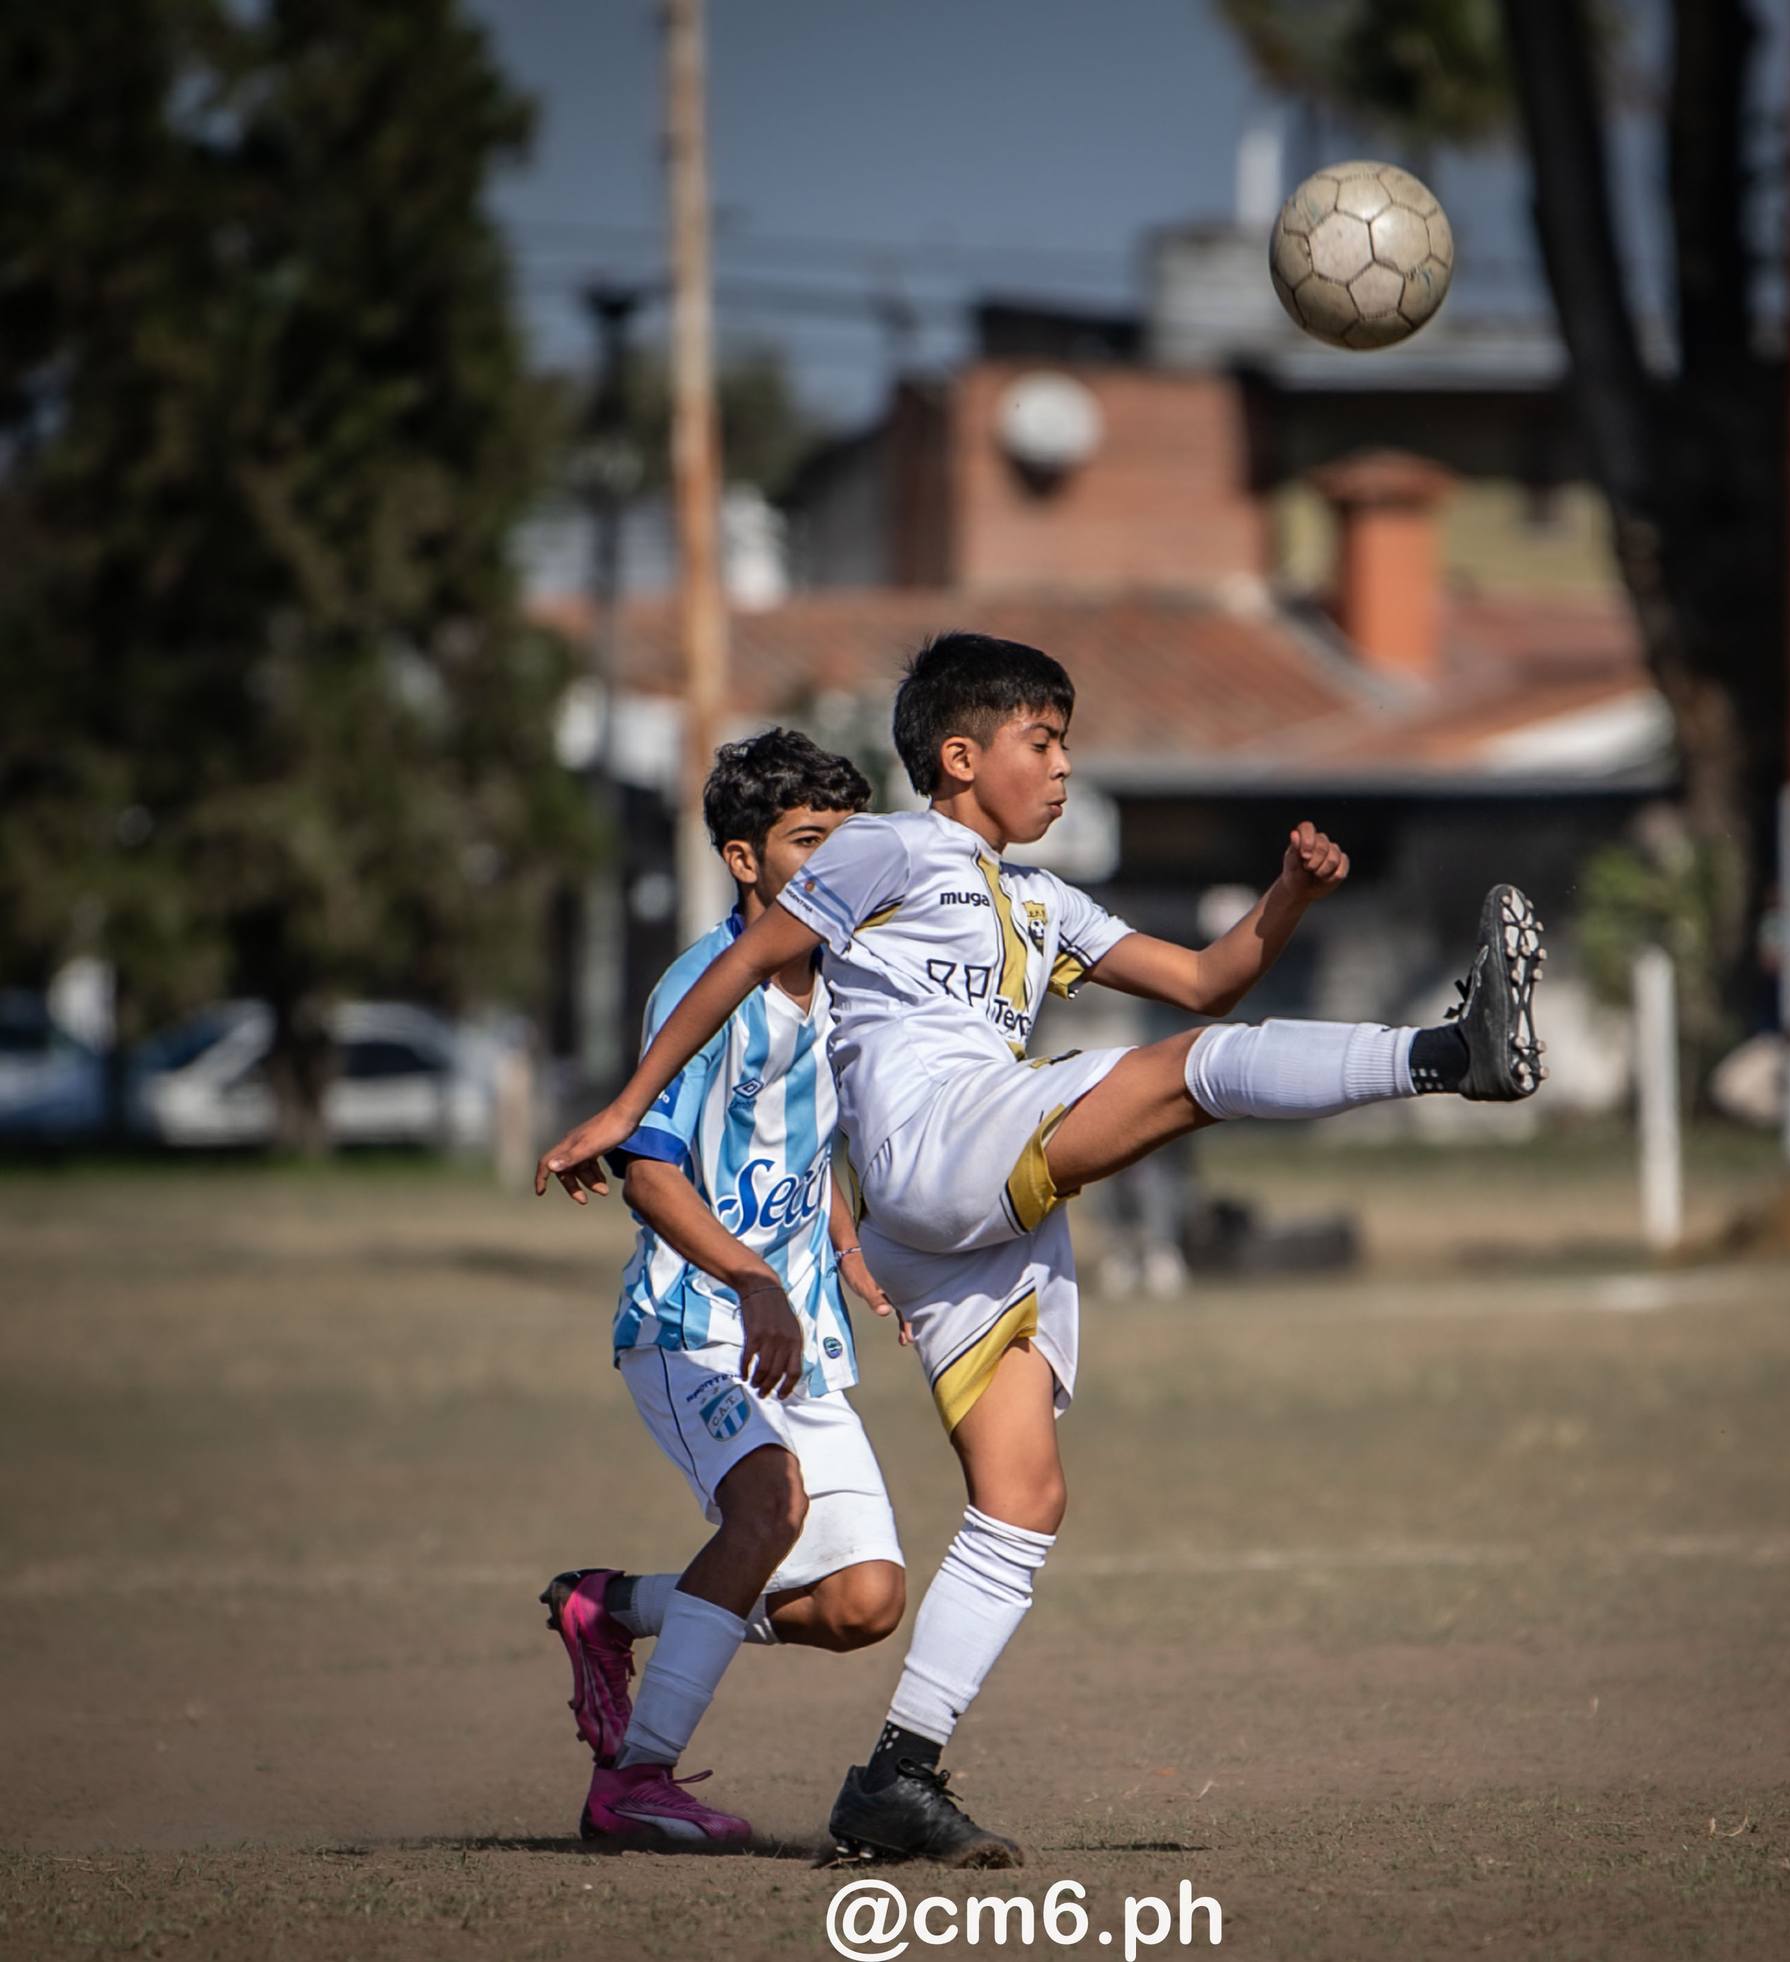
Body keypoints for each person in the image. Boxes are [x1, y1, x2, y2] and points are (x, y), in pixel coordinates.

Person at [536, 634, 1547, 1865]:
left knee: (1022, 1501)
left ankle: (895, 1777)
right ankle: (1448, 1057)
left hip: (962, 1217)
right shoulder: (883, 847)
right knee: (1186, 1081)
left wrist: (1287, 898)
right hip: (935, 1142)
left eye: (1065, 740)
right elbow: (742, 961)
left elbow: (1199, 975)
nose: (1064, 767)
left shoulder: (1039, 901)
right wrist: (619, 1102)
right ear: (959, 759)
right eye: (1042, 742)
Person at [537, 729, 908, 1848]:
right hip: (693, 1325)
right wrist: (751, 1279)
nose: (834, 864)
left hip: (796, 1332)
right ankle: (634, 1782)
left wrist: (845, 1250)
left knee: (862, 1604)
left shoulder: (847, 979)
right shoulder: (701, 989)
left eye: (848, 841)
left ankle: (617, 1609)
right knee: (769, 1509)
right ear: (744, 861)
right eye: (808, 842)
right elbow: (649, 1174)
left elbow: (805, 1141)